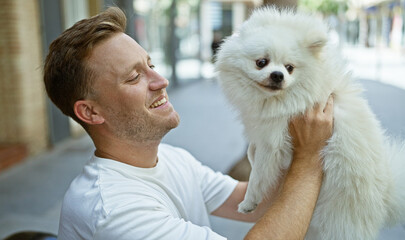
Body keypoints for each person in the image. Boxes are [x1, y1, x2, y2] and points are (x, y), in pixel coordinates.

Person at [44, 7, 334, 240]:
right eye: (134, 77)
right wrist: (308, 159)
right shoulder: (112, 210)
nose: (161, 81)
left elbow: (252, 202)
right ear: (91, 113)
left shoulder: (170, 158)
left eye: (151, 66)